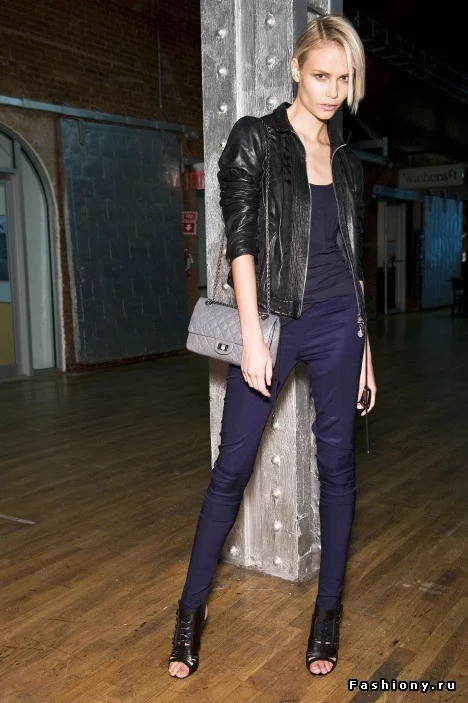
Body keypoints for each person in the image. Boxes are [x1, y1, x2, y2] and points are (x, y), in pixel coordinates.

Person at [168, 13, 377, 679]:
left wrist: (366, 350)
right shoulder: (256, 139)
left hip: (339, 322)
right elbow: (242, 243)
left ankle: (328, 611)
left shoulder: (348, 164)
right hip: (275, 323)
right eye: (321, 76)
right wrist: (253, 338)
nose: (332, 91)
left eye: (344, 79)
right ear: (295, 69)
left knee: (338, 468)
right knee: (231, 468)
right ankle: (190, 609)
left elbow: (353, 260)